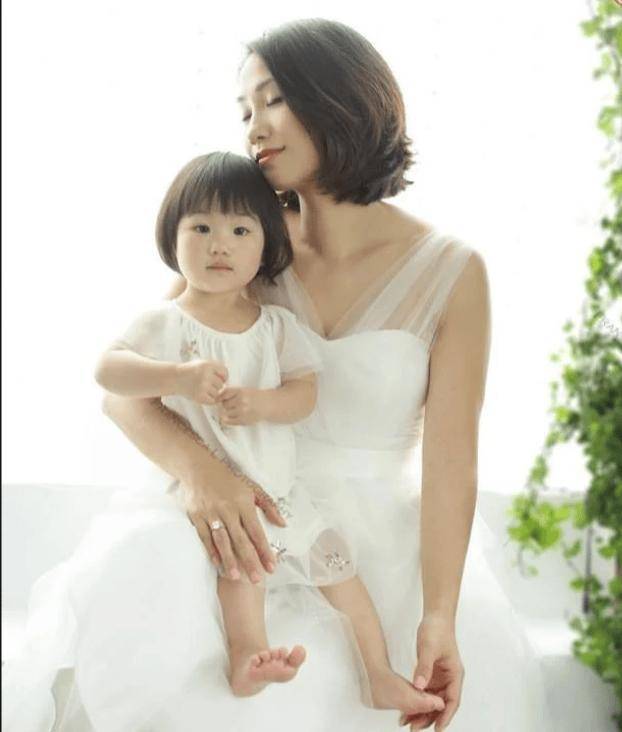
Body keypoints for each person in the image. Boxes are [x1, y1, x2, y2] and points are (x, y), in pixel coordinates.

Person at [2, 18, 554, 732]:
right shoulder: (244, 246)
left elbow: (451, 460)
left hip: (377, 553)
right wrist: (203, 475)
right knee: (165, 615)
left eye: (272, 100)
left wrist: (439, 615)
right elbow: (126, 393)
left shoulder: (453, 270)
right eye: (244, 111)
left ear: (341, 97)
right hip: (242, 522)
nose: (254, 128)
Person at [92, 150, 444, 713]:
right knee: (242, 570)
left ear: (265, 246)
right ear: (171, 237)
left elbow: (305, 393)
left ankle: (378, 673)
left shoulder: (275, 325)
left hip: (283, 490)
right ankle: (248, 655)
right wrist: (176, 377)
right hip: (223, 493)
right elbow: (109, 372)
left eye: (240, 231)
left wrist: (262, 404)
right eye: (200, 228)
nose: (219, 245)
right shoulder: (168, 322)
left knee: (342, 571)